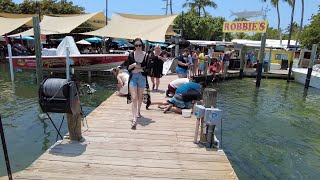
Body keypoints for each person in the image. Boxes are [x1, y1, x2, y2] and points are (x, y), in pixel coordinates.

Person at [127, 38, 150, 129]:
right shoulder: (131, 55)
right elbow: (128, 68)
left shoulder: (146, 55)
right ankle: (134, 119)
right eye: (136, 45)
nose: (138, 47)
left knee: (140, 96)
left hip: (142, 77)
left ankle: (138, 111)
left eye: (140, 45)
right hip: (133, 78)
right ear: (134, 46)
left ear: (142, 45)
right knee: (134, 97)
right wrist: (133, 65)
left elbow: (148, 69)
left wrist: (138, 69)